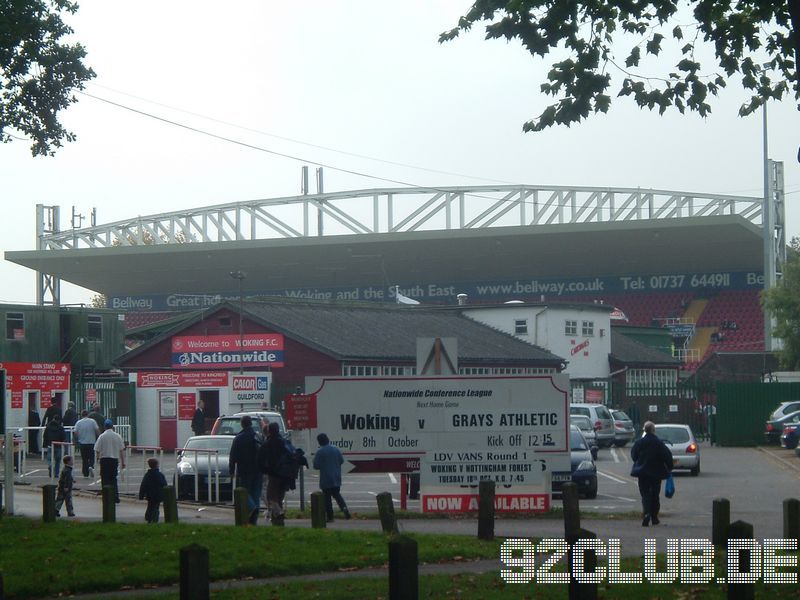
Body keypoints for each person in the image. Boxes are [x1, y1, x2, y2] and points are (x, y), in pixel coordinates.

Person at [630, 421, 673, 527]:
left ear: (645, 430)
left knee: (645, 494)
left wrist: (639, 461)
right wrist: (669, 467)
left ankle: (646, 513)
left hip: (643, 472)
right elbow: (667, 456)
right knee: (655, 495)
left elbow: (634, 455)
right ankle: (654, 517)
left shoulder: (639, 442)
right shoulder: (658, 443)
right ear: (654, 430)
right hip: (656, 472)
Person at [228, 415, 262, 525]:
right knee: (256, 493)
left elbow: (233, 456)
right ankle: (254, 520)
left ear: (242, 424)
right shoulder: (257, 436)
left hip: (244, 470)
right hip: (258, 470)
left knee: (245, 492)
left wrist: (232, 471)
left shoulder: (238, 438)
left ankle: (252, 508)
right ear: (251, 423)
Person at [258, 421, 291, 526]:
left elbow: (259, 459)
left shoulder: (268, 444)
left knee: (271, 498)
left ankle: (279, 513)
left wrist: (264, 470)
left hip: (274, 474)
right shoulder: (284, 442)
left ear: (269, 431)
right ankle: (278, 522)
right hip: (286, 475)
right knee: (279, 498)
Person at [313, 433, 351, 522]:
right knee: (337, 495)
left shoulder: (320, 452)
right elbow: (341, 461)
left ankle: (330, 517)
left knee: (327, 498)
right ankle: (345, 509)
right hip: (336, 477)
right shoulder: (336, 449)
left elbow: (316, 465)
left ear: (319, 442)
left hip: (326, 478)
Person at [95, 419, 126, 503]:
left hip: (104, 459)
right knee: (113, 479)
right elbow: (121, 450)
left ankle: (106, 497)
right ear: (112, 426)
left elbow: (97, 449)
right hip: (114, 460)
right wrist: (123, 462)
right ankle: (115, 496)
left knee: (105, 479)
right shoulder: (117, 436)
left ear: (104, 427)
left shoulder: (102, 436)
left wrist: (98, 459)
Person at [139, 457, 168, 523]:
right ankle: (154, 519)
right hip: (158, 495)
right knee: (156, 507)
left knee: (150, 506)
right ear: (157, 465)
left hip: (149, 494)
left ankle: (148, 518)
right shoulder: (160, 475)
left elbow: (143, 485)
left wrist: (141, 495)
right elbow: (164, 484)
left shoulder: (147, 475)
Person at [74, 409, 100, 477]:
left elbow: (75, 432)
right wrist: (99, 437)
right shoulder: (92, 421)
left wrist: (77, 439)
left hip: (82, 443)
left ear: (81, 415)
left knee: (84, 458)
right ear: (88, 414)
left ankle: (85, 473)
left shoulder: (78, 422)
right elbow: (97, 430)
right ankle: (91, 466)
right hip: (91, 442)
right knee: (92, 457)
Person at [43, 413, 65, 478]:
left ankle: (50, 466)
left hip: (50, 445)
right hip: (58, 445)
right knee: (58, 461)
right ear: (59, 420)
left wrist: (45, 444)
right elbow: (63, 436)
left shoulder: (48, 427)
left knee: (49, 459)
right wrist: (62, 441)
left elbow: (45, 436)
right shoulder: (60, 427)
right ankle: (56, 474)